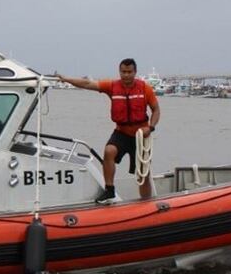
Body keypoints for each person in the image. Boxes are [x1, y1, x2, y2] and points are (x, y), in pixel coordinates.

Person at [57, 58, 161, 203]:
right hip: (121, 132)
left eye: (129, 72)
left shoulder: (145, 88)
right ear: (119, 72)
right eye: (123, 72)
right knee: (109, 151)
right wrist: (66, 79)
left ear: (135, 72)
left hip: (140, 135)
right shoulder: (112, 86)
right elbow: (87, 84)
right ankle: (110, 190)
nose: (126, 75)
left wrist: (150, 128)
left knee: (143, 173)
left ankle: (146, 202)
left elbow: (156, 110)